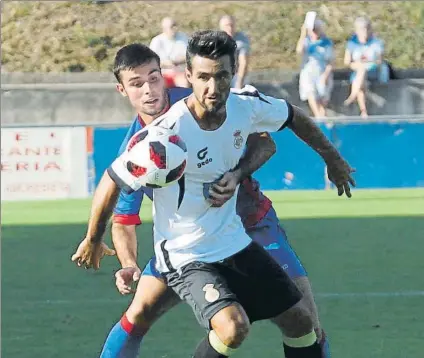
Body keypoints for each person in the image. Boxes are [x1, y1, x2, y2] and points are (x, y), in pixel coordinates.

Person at [72, 33, 354, 357]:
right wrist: (96, 240)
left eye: (221, 76)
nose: (213, 87)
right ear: (188, 76)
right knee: (230, 326)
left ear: (233, 72)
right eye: (204, 77)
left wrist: (333, 160)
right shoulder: (162, 138)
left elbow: (290, 117)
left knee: (302, 322)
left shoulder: (244, 105)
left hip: (236, 237)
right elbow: (112, 183)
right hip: (184, 254)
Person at [344, 16, 388, 118]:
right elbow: (347, 62)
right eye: (361, 29)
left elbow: (379, 61)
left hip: (373, 70)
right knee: (360, 76)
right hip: (358, 71)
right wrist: (358, 65)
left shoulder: (377, 43)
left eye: (366, 28)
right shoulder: (351, 43)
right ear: (356, 30)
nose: (365, 31)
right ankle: (363, 112)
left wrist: (367, 63)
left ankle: (352, 97)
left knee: (361, 73)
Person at [296, 16, 334, 118]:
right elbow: (299, 51)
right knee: (311, 93)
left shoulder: (326, 43)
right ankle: (319, 118)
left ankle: (322, 120)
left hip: (322, 73)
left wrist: (325, 76)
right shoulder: (306, 41)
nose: (314, 32)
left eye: (316, 30)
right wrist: (303, 33)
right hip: (308, 73)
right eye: (312, 30)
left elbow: (330, 62)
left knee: (322, 102)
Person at [150, 17, 189, 88]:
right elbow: (151, 63)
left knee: (184, 83)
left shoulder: (183, 37)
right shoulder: (156, 41)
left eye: (175, 25)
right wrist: (165, 64)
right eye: (171, 27)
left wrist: (177, 61)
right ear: (164, 29)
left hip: (180, 73)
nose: (174, 29)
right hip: (163, 74)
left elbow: (190, 56)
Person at [219, 15, 250, 89]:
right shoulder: (215, 39)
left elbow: (243, 63)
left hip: (236, 74)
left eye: (232, 25)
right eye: (227, 25)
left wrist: (239, 83)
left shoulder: (241, 39)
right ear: (221, 27)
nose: (230, 28)